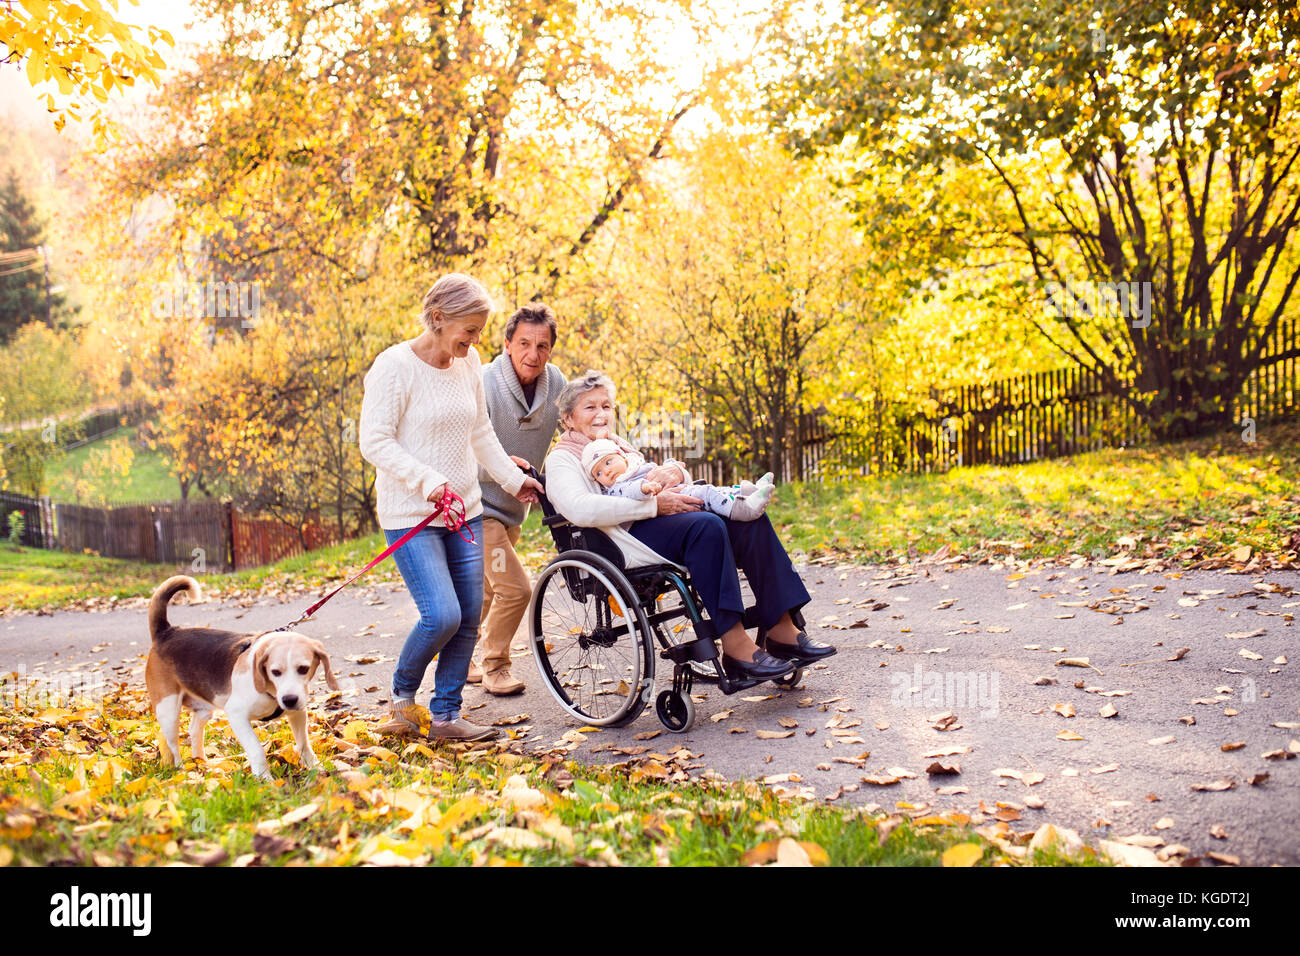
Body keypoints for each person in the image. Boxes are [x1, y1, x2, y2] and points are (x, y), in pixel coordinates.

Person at [542, 371, 836, 679]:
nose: (601, 414)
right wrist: (652, 505)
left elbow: (651, 476)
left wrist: (674, 474)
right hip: (624, 538)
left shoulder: (619, 446)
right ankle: (736, 647)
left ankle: (782, 629)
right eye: (590, 407)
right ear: (568, 418)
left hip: (662, 518)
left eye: (606, 406)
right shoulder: (563, 459)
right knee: (706, 527)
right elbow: (580, 509)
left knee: (749, 519)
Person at [359, 273, 544, 741]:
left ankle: (445, 716)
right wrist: (427, 481)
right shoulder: (394, 366)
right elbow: (373, 440)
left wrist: (512, 479)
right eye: (470, 330)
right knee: (441, 615)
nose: (476, 340)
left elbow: (480, 432)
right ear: (438, 319)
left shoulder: (469, 363)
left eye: (480, 331)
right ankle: (403, 700)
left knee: (467, 613)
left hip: (466, 510)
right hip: (412, 515)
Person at [469, 302, 567, 695]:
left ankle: (457, 661)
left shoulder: (555, 383)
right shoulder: (483, 381)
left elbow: (572, 426)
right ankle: (495, 667)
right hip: (477, 510)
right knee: (515, 589)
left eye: (542, 346)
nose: (533, 354)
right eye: (524, 343)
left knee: (486, 591)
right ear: (507, 344)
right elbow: (462, 442)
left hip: (514, 509)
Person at [582, 436, 775, 520]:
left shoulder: (636, 465)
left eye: (608, 463)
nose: (606, 472)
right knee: (706, 492)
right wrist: (644, 488)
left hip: (679, 488)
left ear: (622, 458)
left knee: (713, 489)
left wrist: (672, 465)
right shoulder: (617, 486)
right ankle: (744, 509)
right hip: (674, 499)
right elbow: (629, 491)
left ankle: (747, 492)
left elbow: (661, 469)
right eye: (598, 473)